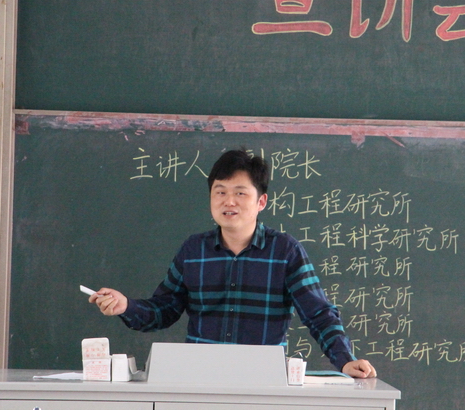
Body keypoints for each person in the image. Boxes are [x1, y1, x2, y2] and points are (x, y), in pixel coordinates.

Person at [89, 149, 377, 379]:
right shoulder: (194, 249)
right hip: (197, 378)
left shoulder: (285, 251)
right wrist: (126, 306)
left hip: (264, 380)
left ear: (261, 201)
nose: (229, 201)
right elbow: (164, 310)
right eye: (220, 191)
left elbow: (319, 315)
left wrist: (345, 361)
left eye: (240, 193)